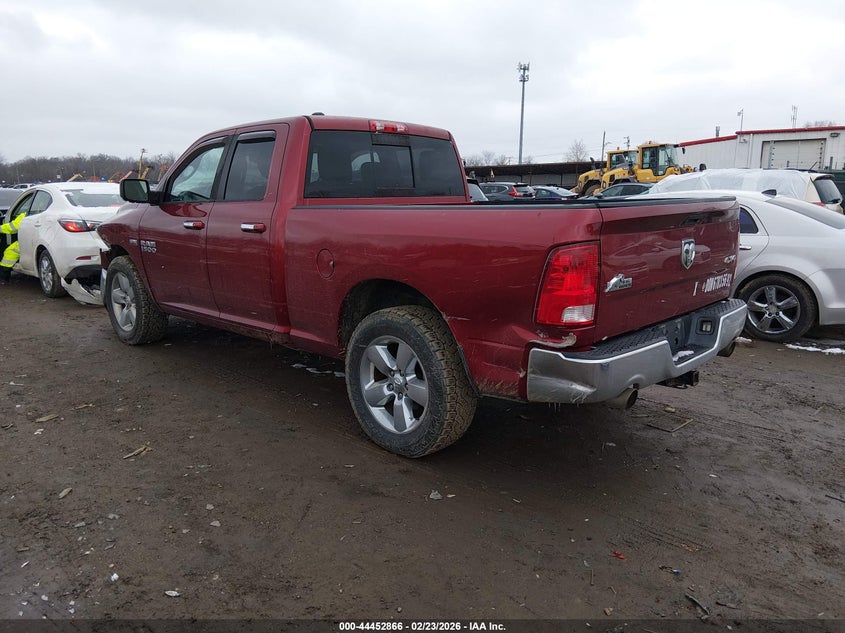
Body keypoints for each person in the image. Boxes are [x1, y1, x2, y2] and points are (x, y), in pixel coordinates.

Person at [0, 212, 25, 284]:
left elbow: (13, 227)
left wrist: (0, 228)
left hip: (28, 240)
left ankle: (3, 278)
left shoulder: (25, 215)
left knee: (10, 252)